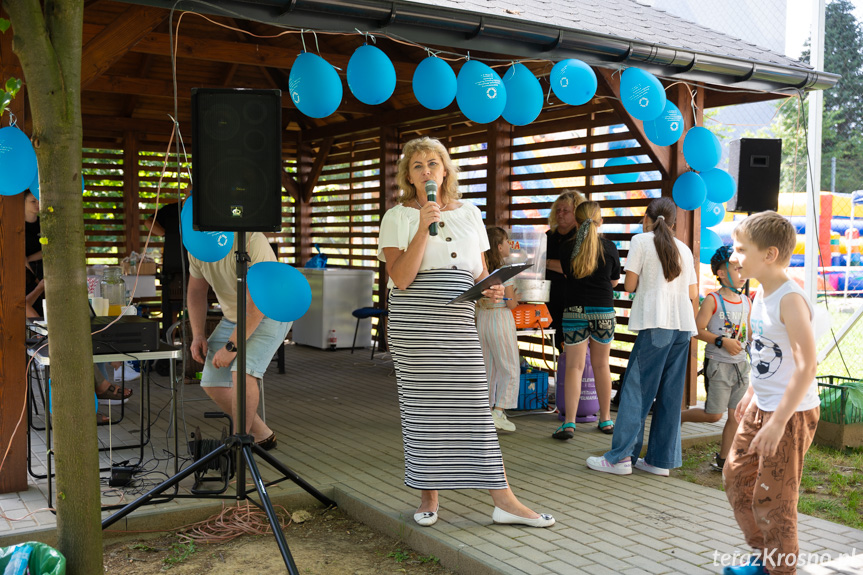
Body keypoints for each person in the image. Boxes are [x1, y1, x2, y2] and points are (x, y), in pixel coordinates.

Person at [378, 136, 554, 528]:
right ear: (409, 174)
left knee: (474, 404)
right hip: (415, 318)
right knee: (423, 409)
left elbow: (477, 272)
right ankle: (428, 495)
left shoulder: (471, 213)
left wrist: (491, 286)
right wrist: (424, 225)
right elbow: (402, 278)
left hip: (458, 316)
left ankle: (503, 500)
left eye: (433, 164)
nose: (426, 171)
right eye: (418, 165)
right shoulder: (398, 216)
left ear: (445, 170)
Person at [722, 211, 819, 575]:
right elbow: (764, 353)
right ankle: (767, 557)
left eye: (741, 249)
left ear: (770, 255)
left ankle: (778, 569)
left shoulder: (790, 300)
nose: (734, 257)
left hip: (789, 416)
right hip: (762, 407)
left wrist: (778, 422)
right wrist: (750, 393)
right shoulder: (761, 291)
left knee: (774, 501)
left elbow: (807, 366)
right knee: (736, 477)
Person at [586, 196, 697, 477]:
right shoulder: (684, 248)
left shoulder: (640, 241)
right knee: (670, 395)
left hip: (656, 323)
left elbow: (630, 284)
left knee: (636, 389)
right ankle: (660, 461)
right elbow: (693, 294)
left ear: (646, 218)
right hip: (683, 326)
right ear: (674, 223)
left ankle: (621, 458)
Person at [187, 233, 290, 451]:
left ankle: (239, 448)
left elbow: (257, 304)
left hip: (271, 309)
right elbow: (196, 291)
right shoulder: (197, 245)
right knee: (211, 382)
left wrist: (232, 346)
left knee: (242, 372)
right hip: (235, 315)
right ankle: (262, 435)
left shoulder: (252, 240)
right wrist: (197, 334)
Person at [552, 201, 620, 440]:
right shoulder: (610, 246)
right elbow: (613, 281)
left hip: (574, 311)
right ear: (600, 221)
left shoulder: (567, 247)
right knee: (602, 365)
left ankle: (569, 423)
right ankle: (606, 419)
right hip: (603, 311)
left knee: (574, 367)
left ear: (577, 222)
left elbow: (569, 275)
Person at [680, 245, 750, 472]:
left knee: (736, 415)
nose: (742, 273)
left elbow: (748, 333)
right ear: (721, 273)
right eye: (736, 269)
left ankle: (724, 460)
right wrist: (721, 341)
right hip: (719, 366)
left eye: (743, 268)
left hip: (741, 366)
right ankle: (680, 417)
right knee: (713, 415)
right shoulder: (713, 300)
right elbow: (697, 330)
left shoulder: (746, 301)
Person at [476, 226, 520, 432]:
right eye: (507, 241)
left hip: (482, 319)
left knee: (487, 367)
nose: (510, 244)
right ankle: (499, 411)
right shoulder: (505, 273)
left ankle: (483, 411)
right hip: (501, 319)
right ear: (500, 246)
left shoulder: (479, 270)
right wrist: (518, 296)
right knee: (509, 366)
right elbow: (511, 303)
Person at [545, 190, 586, 349]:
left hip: (573, 301)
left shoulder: (580, 237)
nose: (560, 214)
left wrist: (546, 262)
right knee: (558, 343)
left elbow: (572, 268)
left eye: (566, 211)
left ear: (576, 213)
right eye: (558, 210)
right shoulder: (548, 236)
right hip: (550, 299)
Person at [24, 190, 45, 318]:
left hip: (42, 267)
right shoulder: (16, 225)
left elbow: (48, 250)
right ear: (24, 202)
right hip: (25, 272)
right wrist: (35, 279)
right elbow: (20, 257)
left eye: (39, 201)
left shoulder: (44, 224)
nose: (37, 204)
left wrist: (30, 258)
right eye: (33, 201)